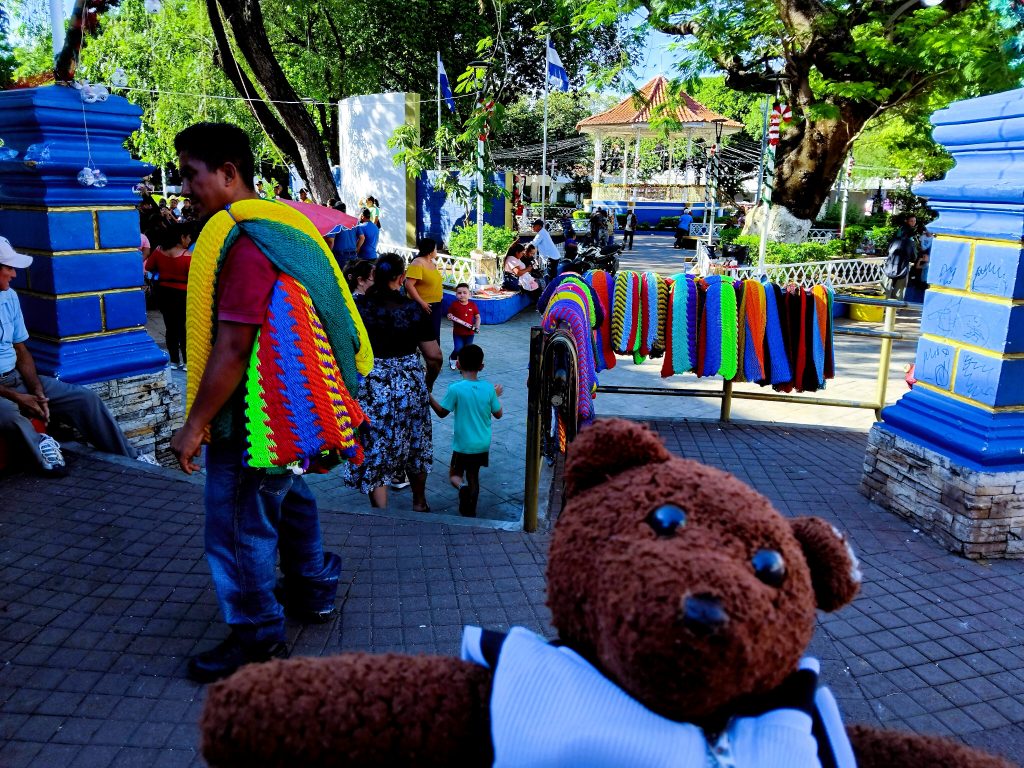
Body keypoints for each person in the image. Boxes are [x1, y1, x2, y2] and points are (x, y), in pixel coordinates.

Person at [169, 122, 356, 683]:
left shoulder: (247, 244)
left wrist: (195, 424)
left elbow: (231, 348)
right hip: (291, 408)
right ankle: (313, 586)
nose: (183, 188)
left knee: (235, 525)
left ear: (228, 173)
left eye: (189, 175)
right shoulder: (287, 230)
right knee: (289, 494)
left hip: (253, 418)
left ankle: (256, 632)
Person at [0, 236, 138, 477]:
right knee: (10, 415)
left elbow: (21, 350)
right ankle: (43, 447)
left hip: (14, 377)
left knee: (84, 399)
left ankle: (130, 458)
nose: (13, 275)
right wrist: (18, 398)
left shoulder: (9, 297)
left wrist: (37, 392)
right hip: (4, 391)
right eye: (9, 268)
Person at [345, 252, 441, 511]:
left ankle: (381, 513)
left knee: (375, 445)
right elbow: (434, 357)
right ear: (401, 278)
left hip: (372, 385)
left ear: (375, 276)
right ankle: (419, 502)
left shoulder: (358, 308)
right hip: (409, 383)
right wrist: (427, 383)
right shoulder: (413, 309)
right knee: (416, 441)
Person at [428, 344, 502, 518]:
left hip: (463, 444)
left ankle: (463, 489)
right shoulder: (489, 389)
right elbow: (498, 414)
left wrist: (428, 397)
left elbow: (442, 412)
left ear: (458, 365)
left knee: (455, 475)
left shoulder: (455, 389)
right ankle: (471, 511)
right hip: (482, 443)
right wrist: (495, 395)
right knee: (474, 475)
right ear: (482, 366)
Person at [144, 222, 193, 370]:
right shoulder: (188, 256)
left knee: (170, 327)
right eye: (188, 237)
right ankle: (186, 361)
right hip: (183, 294)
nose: (189, 241)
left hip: (164, 292)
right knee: (184, 328)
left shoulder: (159, 251)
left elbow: (149, 267)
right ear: (181, 237)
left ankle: (173, 361)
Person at [405, 237, 445, 341]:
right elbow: (409, 285)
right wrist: (421, 302)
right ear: (430, 251)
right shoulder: (417, 263)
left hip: (436, 304)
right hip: (424, 306)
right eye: (436, 249)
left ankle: (435, 356)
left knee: (435, 335)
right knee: (424, 336)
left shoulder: (432, 262)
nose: (436, 251)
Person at [883, 214, 922, 300]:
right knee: (899, 291)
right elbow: (914, 257)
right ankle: (894, 310)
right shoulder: (911, 243)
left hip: (890, 267)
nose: (913, 223)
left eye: (914, 221)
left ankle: (884, 308)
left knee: (887, 288)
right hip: (902, 269)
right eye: (912, 221)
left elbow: (888, 250)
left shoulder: (894, 240)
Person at [446, 282, 480, 370]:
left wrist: (477, 326)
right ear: (456, 294)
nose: (462, 295)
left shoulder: (473, 305)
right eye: (459, 293)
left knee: (467, 351)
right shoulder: (454, 304)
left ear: (470, 294)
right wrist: (449, 316)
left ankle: (463, 364)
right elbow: (449, 315)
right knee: (458, 349)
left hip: (470, 333)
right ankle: (452, 358)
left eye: (465, 293)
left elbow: (477, 317)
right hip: (458, 333)